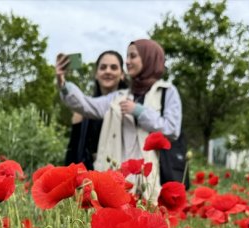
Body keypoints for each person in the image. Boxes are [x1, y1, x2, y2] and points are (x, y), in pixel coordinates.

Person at [57, 39, 183, 202]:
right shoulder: (120, 96)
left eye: (133, 56)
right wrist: (63, 83)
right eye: (127, 56)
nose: (128, 62)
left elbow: (172, 129)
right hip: (118, 175)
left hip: (149, 176)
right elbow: (87, 105)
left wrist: (138, 111)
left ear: (148, 58)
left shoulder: (166, 92)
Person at [64, 51, 127, 169]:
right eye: (103, 67)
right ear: (96, 74)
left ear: (122, 74)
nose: (108, 71)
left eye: (113, 67)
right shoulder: (83, 110)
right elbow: (74, 152)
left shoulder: (129, 106)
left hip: (121, 174)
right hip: (90, 178)